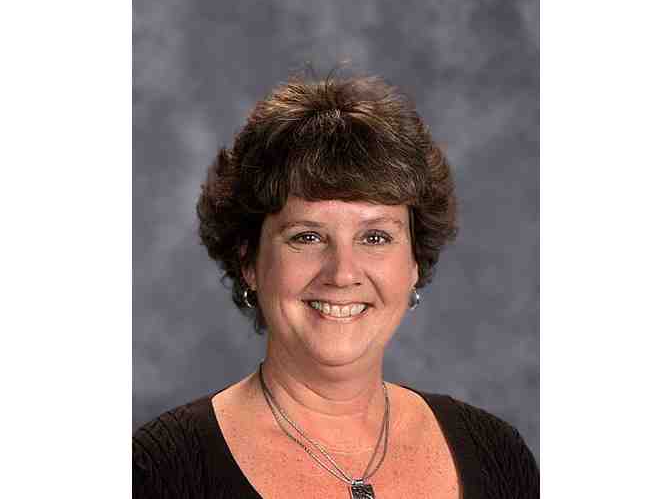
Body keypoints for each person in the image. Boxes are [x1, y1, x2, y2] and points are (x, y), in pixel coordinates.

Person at [133, 73, 539, 498]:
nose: (343, 273)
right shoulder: (160, 472)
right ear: (249, 261)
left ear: (414, 263)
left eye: (375, 237)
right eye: (307, 237)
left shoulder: (497, 455)